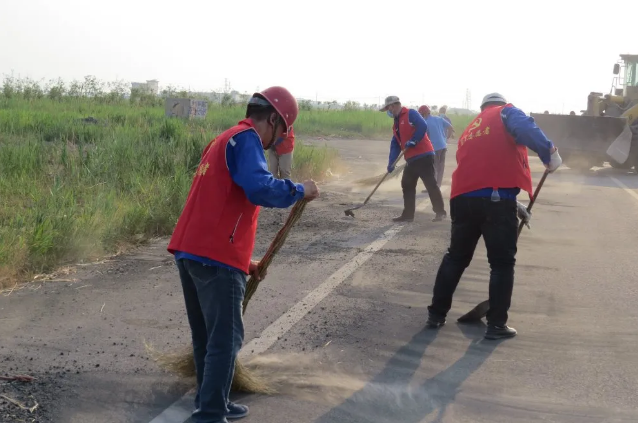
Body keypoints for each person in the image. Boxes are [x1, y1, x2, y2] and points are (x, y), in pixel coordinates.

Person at [167, 86, 320, 423]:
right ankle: (208, 414)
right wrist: (299, 190)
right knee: (225, 339)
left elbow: (220, 205)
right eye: (281, 131)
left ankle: (211, 401)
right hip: (214, 257)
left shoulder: (224, 139)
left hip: (192, 252)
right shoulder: (248, 139)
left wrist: (245, 262)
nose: (276, 141)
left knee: (207, 337)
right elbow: (260, 187)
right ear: (273, 120)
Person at [425, 93, 562, 340]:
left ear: (482, 108)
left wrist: (513, 202)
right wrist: (548, 153)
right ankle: (496, 324)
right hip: (495, 201)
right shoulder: (505, 112)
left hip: (463, 199)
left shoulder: (472, 128)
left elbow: (482, 170)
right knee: (501, 263)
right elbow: (526, 128)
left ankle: (436, 315)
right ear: (498, 104)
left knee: (455, 258)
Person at [380, 96, 446, 222]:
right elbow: (395, 144)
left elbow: (422, 126)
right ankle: (408, 215)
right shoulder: (396, 124)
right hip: (411, 159)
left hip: (424, 155)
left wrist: (414, 140)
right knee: (407, 184)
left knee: (430, 184)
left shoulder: (410, 113)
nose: (388, 112)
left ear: (393, 106)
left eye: (388, 108)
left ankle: (440, 212)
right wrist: (391, 162)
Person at [418, 105, 454, 188]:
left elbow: (426, 137)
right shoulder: (439, 119)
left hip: (435, 148)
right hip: (443, 146)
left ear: (424, 114)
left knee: (433, 168)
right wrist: (446, 138)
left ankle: (433, 187)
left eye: (421, 114)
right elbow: (450, 127)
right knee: (440, 167)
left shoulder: (425, 123)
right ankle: (438, 185)